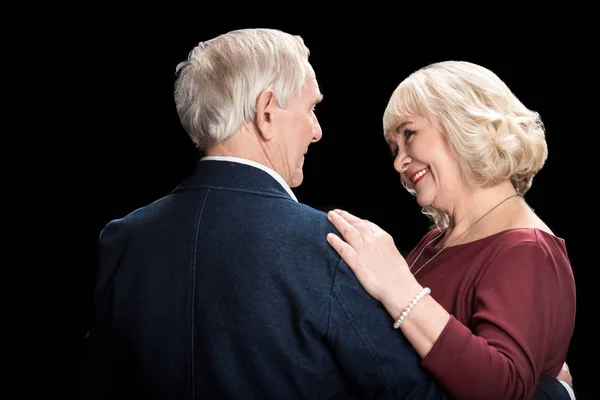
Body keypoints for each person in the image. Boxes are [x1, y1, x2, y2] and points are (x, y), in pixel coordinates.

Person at [81, 30, 571, 399]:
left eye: (408, 136)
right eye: (312, 108)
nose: (317, 132)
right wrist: (553, 393)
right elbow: (405, 392)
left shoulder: (122, 239)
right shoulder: (330, 246)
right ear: (267, 112)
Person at [325, 60, 577, 400]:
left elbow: (503, 388)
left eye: (409, 134)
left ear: (464, 122)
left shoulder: (525, 248)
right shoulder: (436, 240)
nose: (399, 162)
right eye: (394, 148)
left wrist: (398, 288)